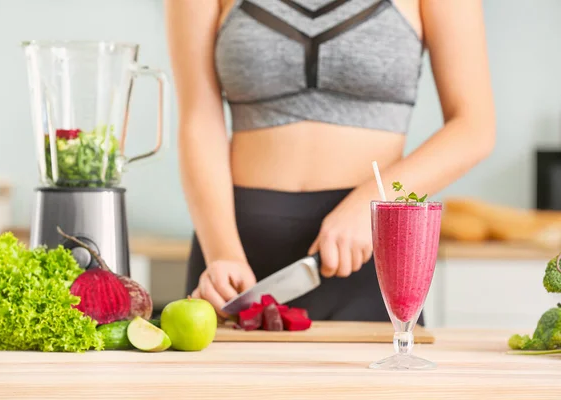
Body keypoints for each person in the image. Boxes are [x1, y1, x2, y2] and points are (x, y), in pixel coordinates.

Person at [164, 0, 495, 323]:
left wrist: (375, 199)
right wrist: (222, 252)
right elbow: (199, 119)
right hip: (236, 258)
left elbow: (473, 127)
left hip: (370, 250)